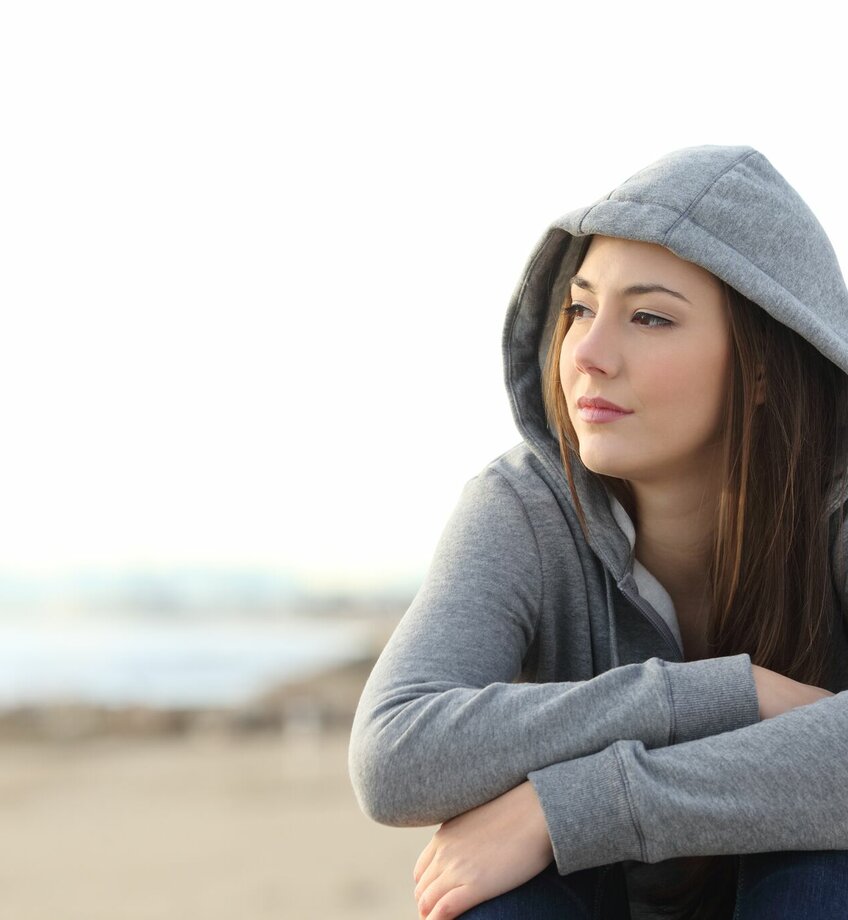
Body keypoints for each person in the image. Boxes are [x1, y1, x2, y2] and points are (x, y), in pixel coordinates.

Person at [347, 145, 848, 919]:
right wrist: (719, 694)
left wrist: (572, 805)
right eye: (581, 307)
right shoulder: (526, 507)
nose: (586, 354)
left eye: (650, 317)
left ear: (760, 366)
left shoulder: (836, 509)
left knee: (825, 862)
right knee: (495, 898)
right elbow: (395, 752)